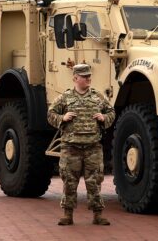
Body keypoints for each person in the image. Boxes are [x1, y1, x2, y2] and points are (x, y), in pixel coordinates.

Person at [47, 64, 115, 226]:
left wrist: (104, 118)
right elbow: (50, 114)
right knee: (69, 181)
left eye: (89, 76)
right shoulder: (65, 97)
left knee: (94, 181)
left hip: (93, 146)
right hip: (71, 147)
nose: (88, 78)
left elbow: (111, 112)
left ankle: (98, 215)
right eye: (85, 76)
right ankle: (67, 215)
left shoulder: (98, 96)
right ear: (75, 78)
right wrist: (62, 118)